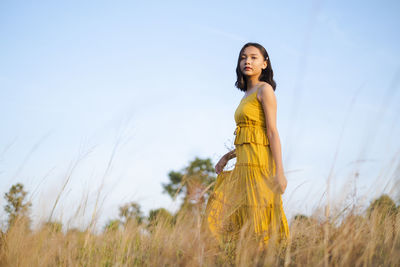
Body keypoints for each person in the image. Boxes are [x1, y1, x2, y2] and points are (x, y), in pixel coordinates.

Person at [204, 42, 290, 250]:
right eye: (243, 57)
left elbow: (271, 133)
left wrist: (280, 171)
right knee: (218, 215)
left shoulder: (265, 90)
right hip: (243, 166)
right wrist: (227, 156)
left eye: (253, 57)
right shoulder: (245, 95)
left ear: (264, 63)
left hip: (260, 166)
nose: (247, 61)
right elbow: (250, 136)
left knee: (259, 221)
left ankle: (269, 259)